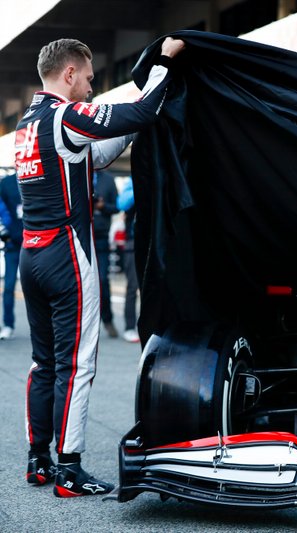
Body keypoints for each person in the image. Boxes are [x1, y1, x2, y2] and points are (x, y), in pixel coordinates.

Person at [15, 36, 185, 497]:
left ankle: (39, 460)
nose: (91, 88)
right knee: (77, 364)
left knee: (43, 362)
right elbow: (145, 111)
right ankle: (70, 469)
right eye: (88, 78)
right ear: (69, 74)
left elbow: (92, 156)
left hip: (32, 255)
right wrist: (163, 62)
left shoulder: (27, 123)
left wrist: (130, 128)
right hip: (68, 256)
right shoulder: (65, 115)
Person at [92, 170, 119, 338]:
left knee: (102, 280)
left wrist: (102, 206)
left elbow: (116, 207)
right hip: (81, 235)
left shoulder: (109, 179)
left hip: (101, 235)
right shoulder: (77, 172)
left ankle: (107, 319)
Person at [0, 172, 23, 339]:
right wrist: (4, 232)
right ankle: (8, 324)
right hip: (13, 243)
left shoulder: (40, 176)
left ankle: (46, 327)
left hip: (38, 241)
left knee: (42, 286)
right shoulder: (7, 182)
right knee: (8, 287)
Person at [116, 177, 139, 343]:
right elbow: (121, 204)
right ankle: (130, 327)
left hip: (155, 241)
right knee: (132, 287)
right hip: (133, 242)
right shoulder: (132, 181)